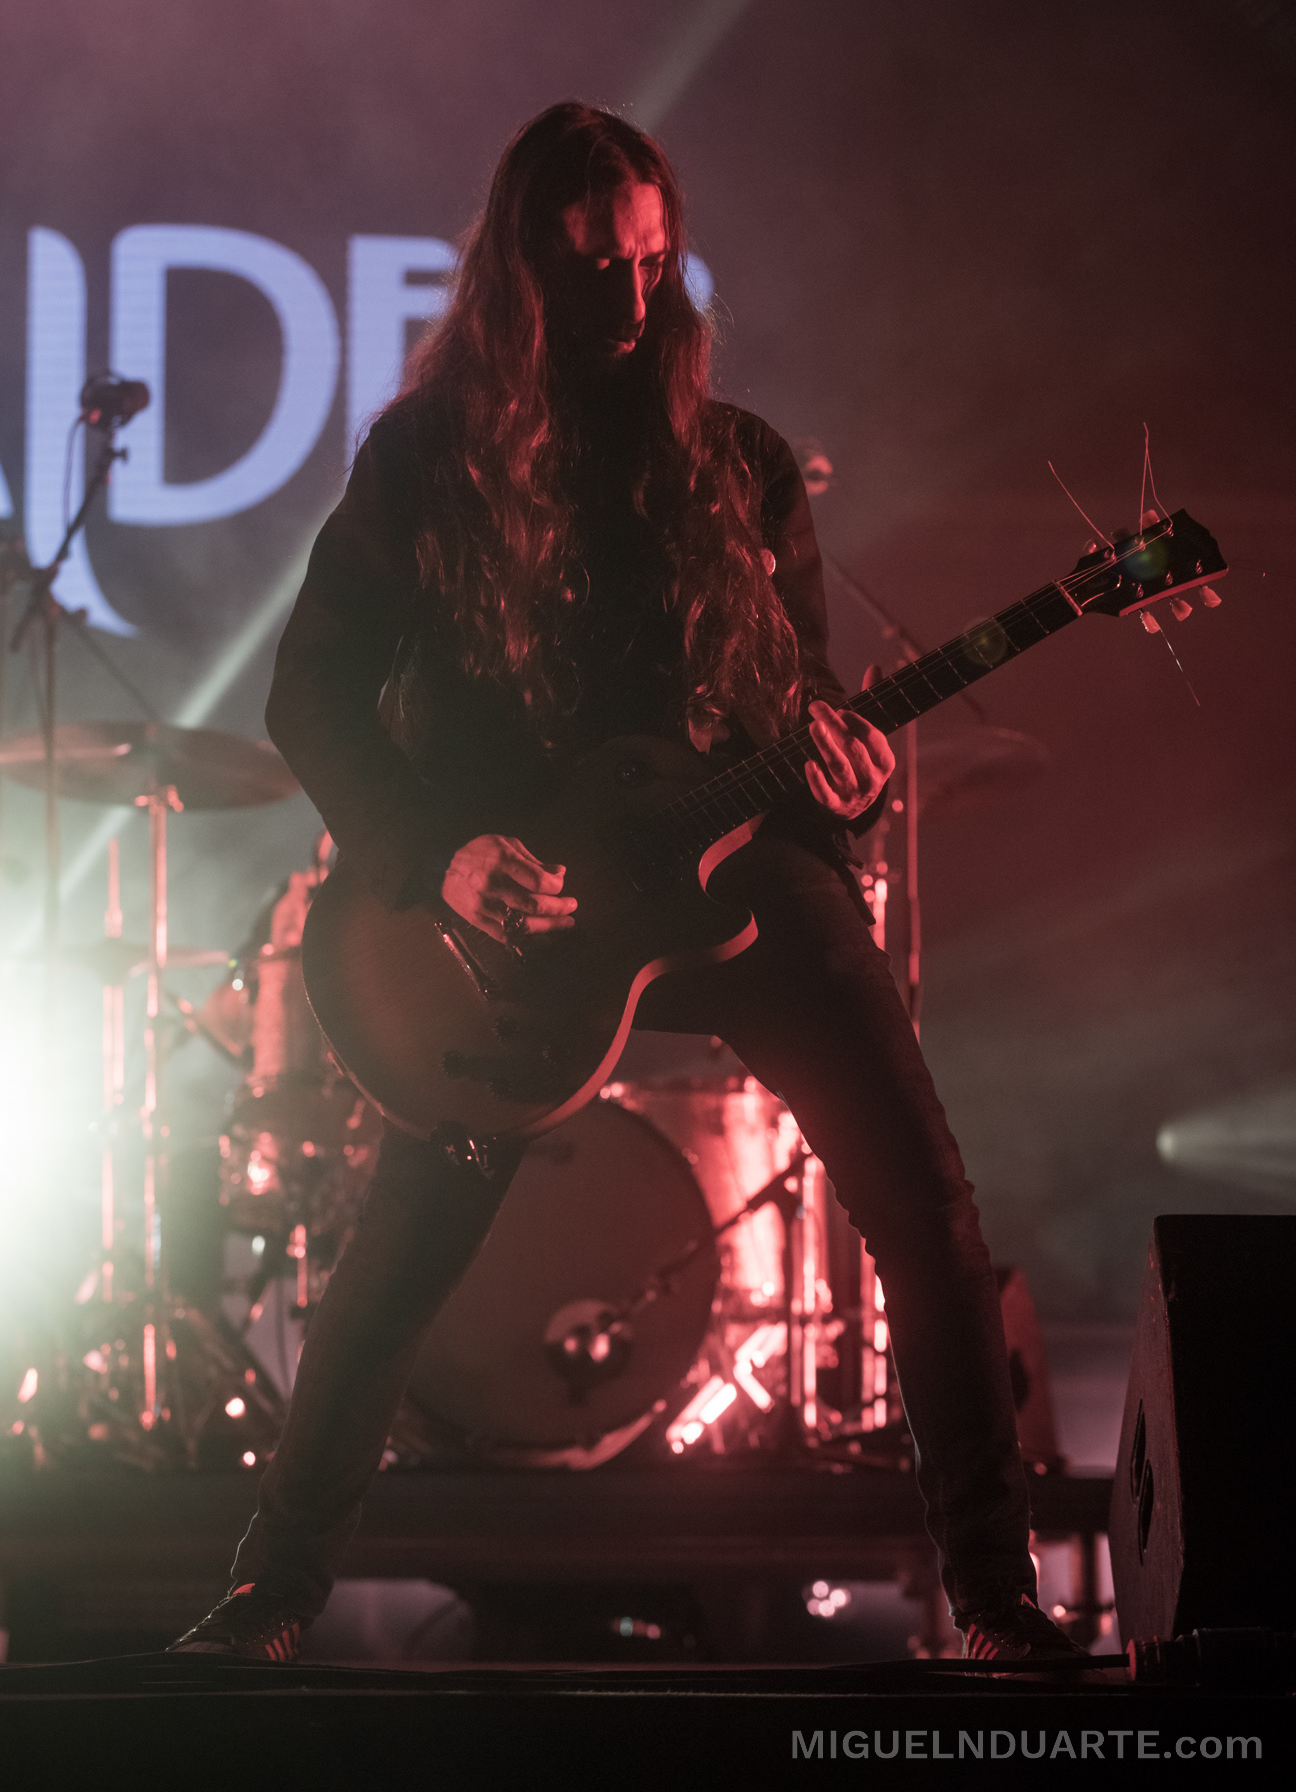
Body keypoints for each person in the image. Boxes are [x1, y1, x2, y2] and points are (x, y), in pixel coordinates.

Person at [172, 103, 1077, 1665]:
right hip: (512, 918)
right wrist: (440, 854)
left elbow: (801, 695)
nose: (636, 299)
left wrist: (845, 772)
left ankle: (996, 1602)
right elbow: (310, 693)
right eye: (599, 267)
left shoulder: (739, 462)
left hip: (734, 877)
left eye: (656, 263)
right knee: (405, 1248)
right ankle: (270, 1593)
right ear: (523, 269)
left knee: (928, 1211)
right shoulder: (430, 460)